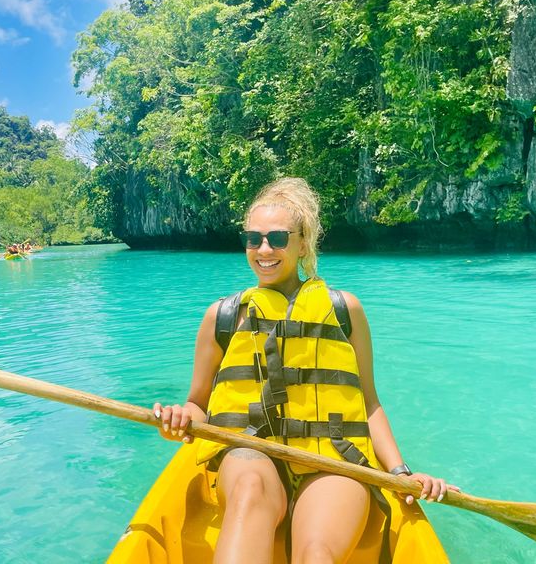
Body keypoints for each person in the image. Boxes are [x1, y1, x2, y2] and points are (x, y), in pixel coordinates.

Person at [152, 177, 459, 564]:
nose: (264, 250)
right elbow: (197, 403)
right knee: (248, 491)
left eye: (278, 238)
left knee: (316, 553)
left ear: (302, 243)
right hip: (252, 452)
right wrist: (180, 418)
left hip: (332, 459)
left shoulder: (346, 311)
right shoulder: (223, 317)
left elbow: (368, 404)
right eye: (254, 239)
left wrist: (399, 471)